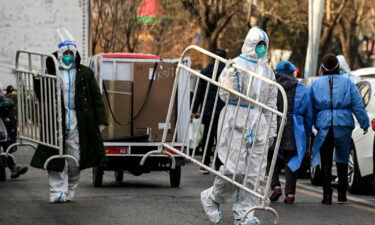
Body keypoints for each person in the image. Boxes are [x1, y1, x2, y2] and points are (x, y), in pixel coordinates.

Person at [200, 27, 277, 225]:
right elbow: (225, 95)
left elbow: (271, 102)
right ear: (250, 44)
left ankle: (245, 213)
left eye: (264, 45)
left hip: (259, 123)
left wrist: (271, 130)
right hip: (237, 118)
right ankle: (212, 197)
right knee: (235, 170)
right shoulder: (236, 64)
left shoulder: (268, 71)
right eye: (258, 45)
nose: (261, 49)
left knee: (255, 174)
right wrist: (232, 82)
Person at [30, 28, 108, 203]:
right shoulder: (50, 72)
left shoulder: (85, 73)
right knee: (55, 156)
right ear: (59, 54)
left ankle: (71, 187)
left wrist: (101, 120)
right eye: (64, 53)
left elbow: (96, 97)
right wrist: (37, 79)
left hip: (78, 120)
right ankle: (56, 191)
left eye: (70, 53)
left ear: (75, 54)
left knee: (75, 158)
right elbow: (42, 95)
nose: (68, 56)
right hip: (55, 119)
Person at [310, 54, 369, 204]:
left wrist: (308, 125)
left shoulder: (316, 84)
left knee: (326, 160)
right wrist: (364, 123)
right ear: (338, 67)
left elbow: (310, 107)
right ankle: (342, 194)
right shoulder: (347, 83)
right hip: (343, 124)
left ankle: (327, 195)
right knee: (343, 159)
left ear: (322, 68)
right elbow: (357, 104)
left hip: (324, 126)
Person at [268, 61, 313, 204]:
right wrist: (306, 133)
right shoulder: (300, 87)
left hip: (273, 125)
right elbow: (308, 113)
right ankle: (290, 194)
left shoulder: (271, 86)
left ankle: (275, 186)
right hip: (294, 127)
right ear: (293, 71)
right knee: (291, 159)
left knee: (271, 157)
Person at [192, 48, 226, 174]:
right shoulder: (228, 71)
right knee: (221, 138)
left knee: (208, 137)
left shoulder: (206, 71)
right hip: (223, 110)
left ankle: (205, 164)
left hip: (208, 109)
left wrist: (194, 109)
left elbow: (199, 92)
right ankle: (218, 164)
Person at [0, 94, 28, 179]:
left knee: (5, 147)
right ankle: (13, 167)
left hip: (3, 131)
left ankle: (13, 167)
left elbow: (9, 102)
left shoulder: (4, 101)